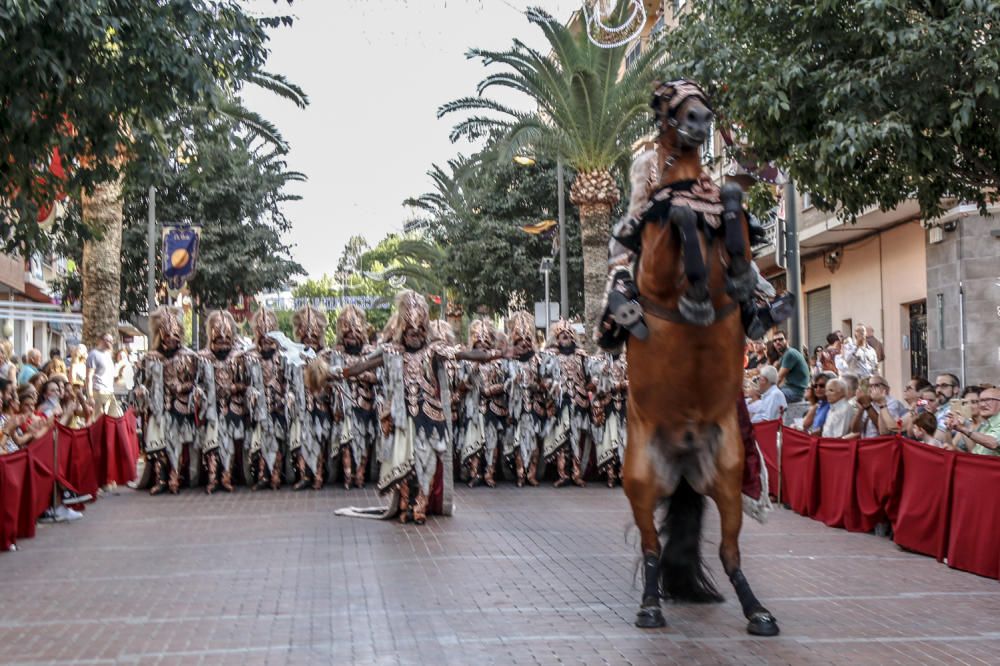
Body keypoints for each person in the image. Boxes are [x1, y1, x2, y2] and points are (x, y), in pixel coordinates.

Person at [316, 290, 500, 524]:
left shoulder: (435, 350)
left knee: (426, 464)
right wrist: (329, 374)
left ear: (426, 330)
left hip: (431, 419)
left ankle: (421, 505)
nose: (415, 336)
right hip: (401, 419)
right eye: (411, 332)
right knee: (402, 463)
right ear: (404, 330)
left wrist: (495, 354)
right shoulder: (392, 353)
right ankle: (404, 504)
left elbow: (466, 354)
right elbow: (360, 368)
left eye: (420, 331)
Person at [133, 306, 203, 495]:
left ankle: (175, 477)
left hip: (180, 408)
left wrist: (183, 388)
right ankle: (161, 479)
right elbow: (141, 383)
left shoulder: (189, 357)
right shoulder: (150, 358)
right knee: (157, 445)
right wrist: (142, 391)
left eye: (175, 337)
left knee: (178, 445)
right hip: (157, 408)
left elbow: (197, 382)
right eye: (167, 337)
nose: (171, 340)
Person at [196, 310, 248, 494]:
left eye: (227, 339)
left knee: (229, 446)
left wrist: (234, 389)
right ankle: (212, 478)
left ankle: (226, 476)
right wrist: (199, 392)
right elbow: (197, 382)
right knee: (212, 444)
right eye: (219, 339)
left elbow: (247, 383)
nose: (223, 341)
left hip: (233, 407)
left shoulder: (240, 357)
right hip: (211, 408)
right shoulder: (201, 357)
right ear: (211, 337)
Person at [331, 305, 379, 489]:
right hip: (343, 405)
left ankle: (360, 474)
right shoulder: (336, 353)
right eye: (347, 332)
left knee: (364, 440)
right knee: (346, 442)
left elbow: (378, 378)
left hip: (364, 404)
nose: (351, 335)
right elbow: (330, 376)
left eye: (355, 332)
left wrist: (361, 375)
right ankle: (348, 476)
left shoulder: (370, 353)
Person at [244, 309, 291, 490]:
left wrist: (287, 396)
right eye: (263, 341)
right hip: (260, 410)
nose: (266, 344)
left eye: (270, 341)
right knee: (261, 445)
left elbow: (290, 383)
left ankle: (276, 476)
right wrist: (251, 393)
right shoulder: (250, 358)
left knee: (277, 444)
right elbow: (244, 384)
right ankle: (263, 476)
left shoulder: (284, 358)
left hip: (278, 407)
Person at [458, 319, 507, 488]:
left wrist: (491, 390)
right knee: (473, 441)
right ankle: (475, 474)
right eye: (479, 342)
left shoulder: (499, 361)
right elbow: (459, 386)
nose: (482, 346)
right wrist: (467, 381)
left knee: (491, 443)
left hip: (493, 407)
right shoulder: (465, 361)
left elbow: (506, 383)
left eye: (486, 342)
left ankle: (489, 473)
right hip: (473, 407)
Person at [506, 311, 551, 487]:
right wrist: (512, 383)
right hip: (516, 409)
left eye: (527, 341)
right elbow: (502, 384)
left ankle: (531, 474)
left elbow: (546, 383)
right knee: (517, 443)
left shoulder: (539, 360)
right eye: (520, 342)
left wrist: (538, 385)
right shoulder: (509, 362)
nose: (524, 344)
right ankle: (520, 474)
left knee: (533, 443)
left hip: (534, 408)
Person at [291, 305, 334, 490]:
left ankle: (318, 475)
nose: (309, 340)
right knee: (301, 443)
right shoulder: (292, 356)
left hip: (321, 406)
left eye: (313, 336)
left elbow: (334, 383)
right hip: (301, 408)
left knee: (319, 442)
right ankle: (304, 476)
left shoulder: (328, 355)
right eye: (305, 336)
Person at [588, 350, 628, 487]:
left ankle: (623, 474)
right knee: (608, 441)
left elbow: (636, 381)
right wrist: (608, 386)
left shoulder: (628, 358)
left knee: (625, 441)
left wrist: (625, 384)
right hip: (607, 407)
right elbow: (593, 386)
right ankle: (610, 475)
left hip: (625, 406)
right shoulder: (597, 361)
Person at [948, 387, 1000, 456]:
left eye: (988, 400)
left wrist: (964, 429)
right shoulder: (987, 425)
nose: (982, 404)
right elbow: (976, 454)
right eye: (981, 401)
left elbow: (993, 443)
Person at [86, 332, 121, 418]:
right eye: (108, 340)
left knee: (114, 418)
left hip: (109, 392)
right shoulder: (94, 354)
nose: (110, 343)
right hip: (98, 391)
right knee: (99, 419)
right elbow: (89, 377)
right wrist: (90, 396)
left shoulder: (108, 355)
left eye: (112, 341)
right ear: (101, 340)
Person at [771, 330, 809, 403]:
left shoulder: (790, 354)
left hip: (796, 392)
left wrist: (765, 391)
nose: (777, 342)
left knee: (769, 397)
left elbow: (778, 378)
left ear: (787, 340)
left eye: (780, 339)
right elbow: (773, 370)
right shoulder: (785, 355)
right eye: (775, 341)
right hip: (789, 389)